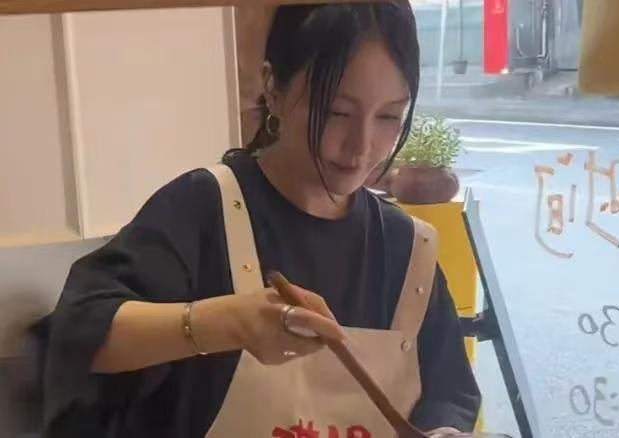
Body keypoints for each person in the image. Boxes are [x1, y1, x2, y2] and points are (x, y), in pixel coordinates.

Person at [41, 2, 481, 437]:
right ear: (273, 87)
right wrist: (224, 322)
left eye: (389, 116)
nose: (361, 145)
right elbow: (80, 333)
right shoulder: (205, 207)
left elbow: (449, 392)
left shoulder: (407, 246)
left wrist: (443, 430)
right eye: (336, 111)